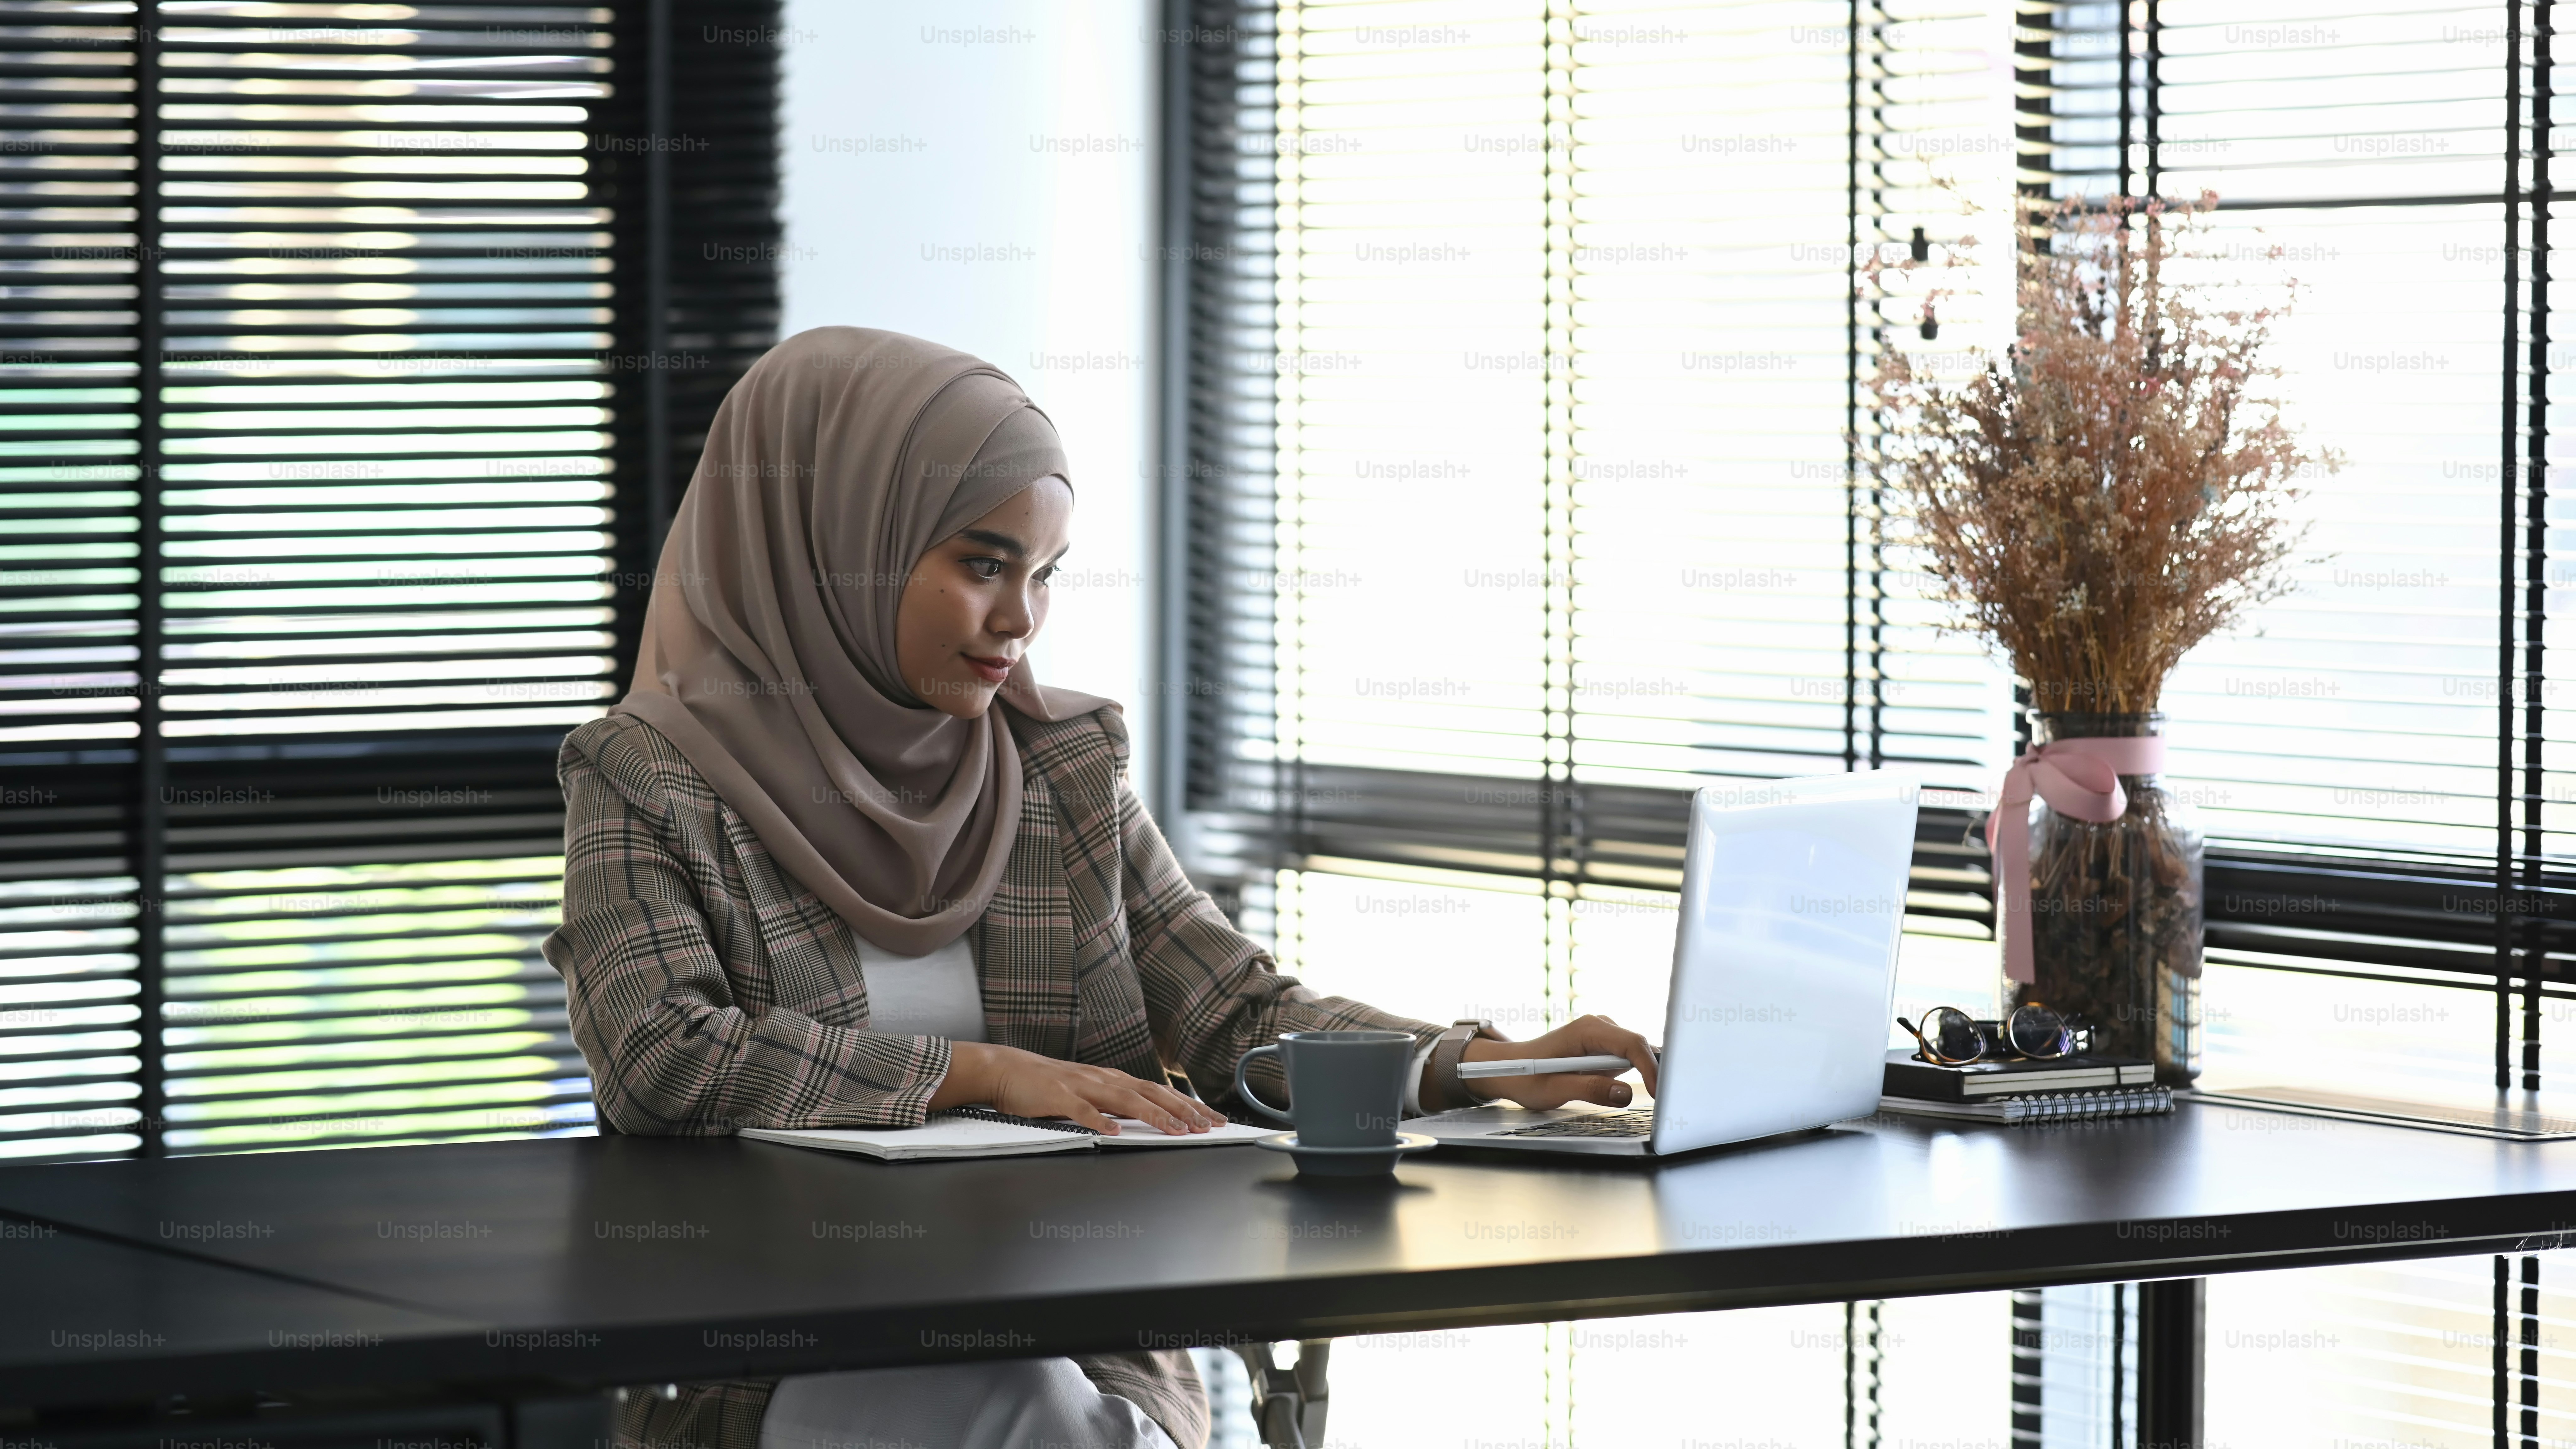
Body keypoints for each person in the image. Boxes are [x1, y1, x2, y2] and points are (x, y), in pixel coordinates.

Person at [542, 327, 1659, 1449]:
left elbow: (1233, 1011)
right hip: (786, 1349)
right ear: (835, 545)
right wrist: (980, 1073)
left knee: (1052, 1409)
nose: (1020, 620)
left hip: (1089, 1342)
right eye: (982, 564)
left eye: (1043, 575)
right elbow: (664, 1058)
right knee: (1026, 1413)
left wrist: (1474, 1064)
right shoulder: (648, 776)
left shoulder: (1059, 763)